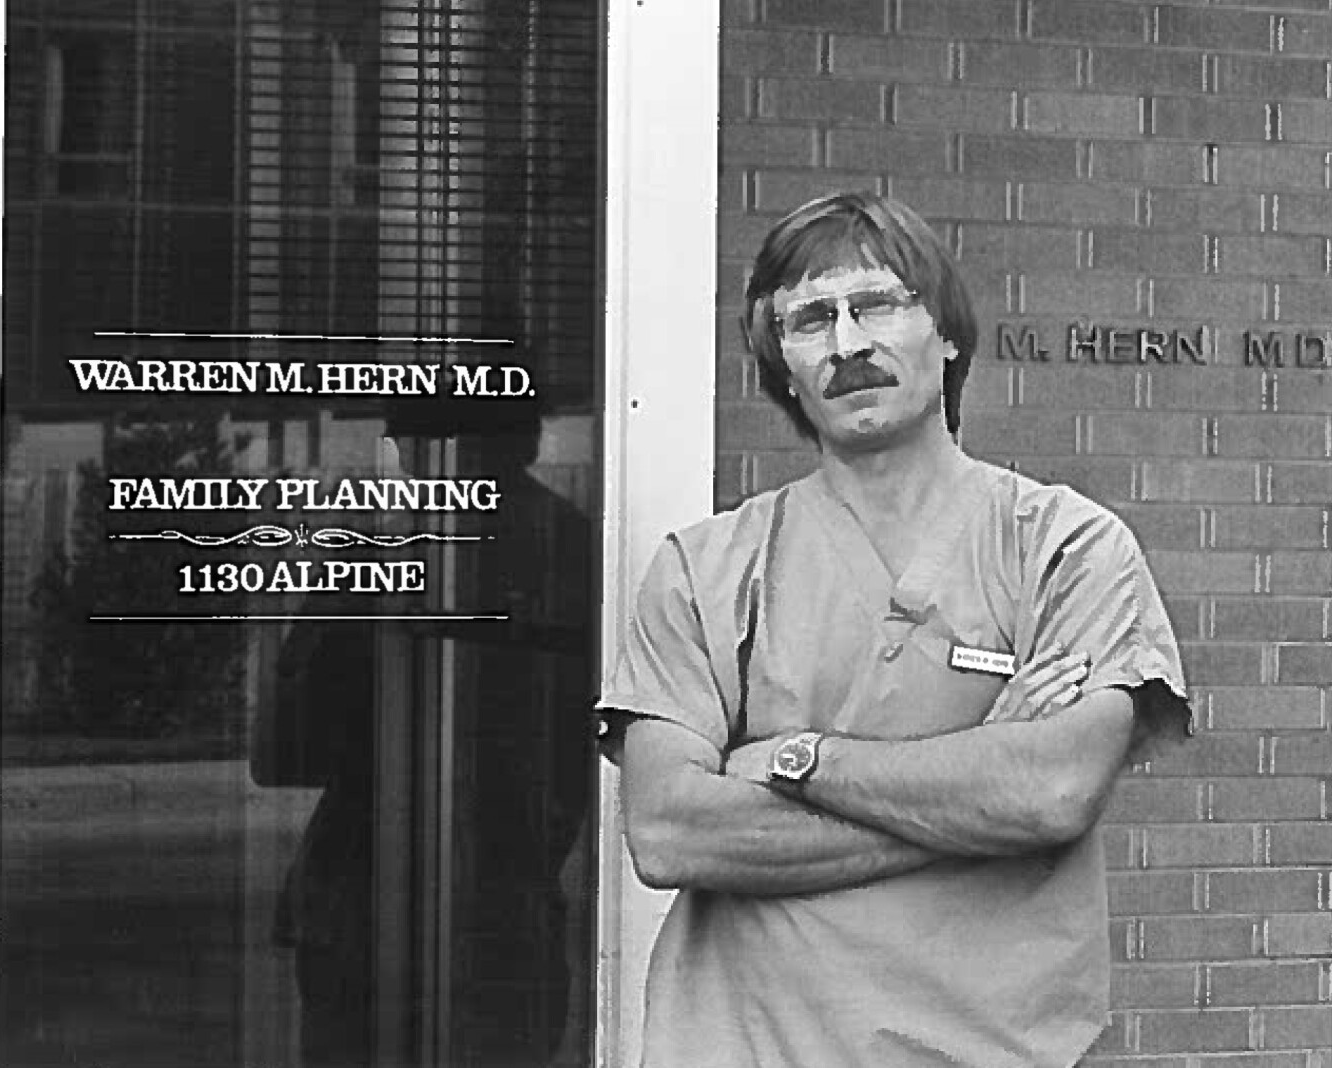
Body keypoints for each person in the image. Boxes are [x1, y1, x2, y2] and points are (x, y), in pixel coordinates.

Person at [597, 191, 1192, 1068]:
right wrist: (976, 773)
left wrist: (797, 760)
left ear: (946, 332)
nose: (847, 344)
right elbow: (671, 832)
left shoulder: (1065, 545)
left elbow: (1052, 791)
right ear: (783, 366)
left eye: (878, 304)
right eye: (809, 321)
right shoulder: (707, 568)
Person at [254, 395, 595, 1068]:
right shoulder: (567, 546)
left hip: (442, 896)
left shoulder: (545, 551)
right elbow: (280, 748)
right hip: (424, 896)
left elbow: (283, 746)